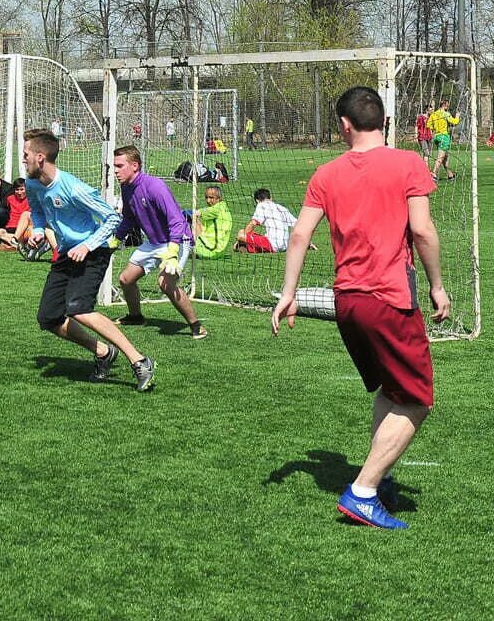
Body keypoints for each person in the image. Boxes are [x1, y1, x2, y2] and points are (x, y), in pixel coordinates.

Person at [271, 86, 448, 530]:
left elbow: (298, 236)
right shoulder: (409, 162)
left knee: (389, 389)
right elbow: (422, 231)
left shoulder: (326, 174)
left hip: (346, 302)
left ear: (344, 126)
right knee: (418, 398)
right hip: (388, 297)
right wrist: (438, 286)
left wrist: (288, 292)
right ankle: (363, 491)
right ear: (384, 121)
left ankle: (381, 478)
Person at [22, 128, 155, 390]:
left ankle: (140, 360)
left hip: (94, 250)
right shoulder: (31, 183)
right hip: (67, 252)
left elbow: (113, 218)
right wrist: (38, 231)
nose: (22, 159)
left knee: (79, 308)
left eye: (25, 154)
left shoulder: (73, 187)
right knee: (49, 318)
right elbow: (37, 211)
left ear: (40, 157)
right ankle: (104, 353)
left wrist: (87, 244)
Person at [111, 146, 207, 338]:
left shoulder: (155, 186)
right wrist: (115, 241)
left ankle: (196, 326)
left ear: (135, 166)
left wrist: (172, 251)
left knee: (165, 283)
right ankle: (135, 316)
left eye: (119, 166)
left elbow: (177, 221)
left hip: (178, 239)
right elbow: (129, 218)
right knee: (125, 279)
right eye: (114, 166)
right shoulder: (126, 187)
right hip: (154, 242)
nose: (115, 170)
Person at [236, 188, 296, 253]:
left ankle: (245, 246)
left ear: (257, 200)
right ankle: (248, 247)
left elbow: (253, 224)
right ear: (271, 198)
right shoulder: (282, 208)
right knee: (246, 239)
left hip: (273, 244)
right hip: (285, 245)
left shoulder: (261, 205)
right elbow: (297, 224)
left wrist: (240, 240)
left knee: (241, 234)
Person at [192, 185, 233, 259]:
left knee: (189, 220)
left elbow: (198, 213)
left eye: (211, 198)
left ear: (219, 198)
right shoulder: (222, 207)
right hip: (218, 251)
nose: (208, 201)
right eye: (206, 197)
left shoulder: (217, 209)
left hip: (211, 250)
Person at [425, 100, 460, 181]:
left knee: (445, 157)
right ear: (444, 105)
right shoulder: (445, 113)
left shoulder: (434, 114)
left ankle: (450, 174)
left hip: (436, 136)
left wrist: (435, 129)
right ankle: (434, 173)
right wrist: (457, 116)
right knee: (440, 157)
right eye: (447, 105)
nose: (448, 107)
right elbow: (455, 122)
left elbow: (428, 125)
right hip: (444, 136)